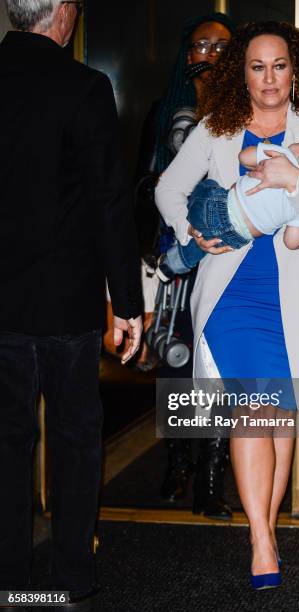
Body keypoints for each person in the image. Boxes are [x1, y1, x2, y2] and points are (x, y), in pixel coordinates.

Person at [156, 20, 299, 589]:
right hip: (232, 297)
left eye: (280, 66)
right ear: (241, 74)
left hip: (292, 296)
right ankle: (261, 540)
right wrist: (192, 232)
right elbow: (167, 189)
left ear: (296, 72)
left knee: (280, 414)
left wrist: (294, 181)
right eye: (257, 67)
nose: (269, 79)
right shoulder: (217, 130)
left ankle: (266, 525)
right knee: (256, 411)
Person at [0, 1, 143, 610]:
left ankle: (7, 578)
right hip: (65, 303)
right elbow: (110, 200)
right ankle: (70, 580)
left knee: (5, 446)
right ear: (61, 14)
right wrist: (128, 303)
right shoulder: (85, 87)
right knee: (77, 440)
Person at [145, 13, 236, 519]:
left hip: (225, 255)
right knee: (176, 366)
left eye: (222, 48)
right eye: (200, 45)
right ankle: (178, 462)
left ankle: (211, 479)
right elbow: (142, 185)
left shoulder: (246, 115)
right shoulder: (164, 113)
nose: (209, 55)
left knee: (219, 365)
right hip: (176, 255)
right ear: (186, 54)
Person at [157, 132, 299, 280]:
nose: (298, 142)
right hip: (236, 238)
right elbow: (292, 242)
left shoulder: (283, 156)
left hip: (215, 206)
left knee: (208, 187)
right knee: (203, 246)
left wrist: (262, 155)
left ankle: (177, 253)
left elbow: (244, 157)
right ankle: (170, 266)